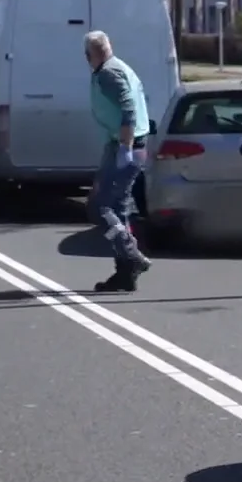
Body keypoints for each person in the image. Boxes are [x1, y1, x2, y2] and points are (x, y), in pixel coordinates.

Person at [83, 30, 151, 293]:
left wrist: (125, 146)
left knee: (108, 208)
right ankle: (125, 272)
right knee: (110, 205)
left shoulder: (109, 73)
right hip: (120, 144)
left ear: (89, 55)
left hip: (127, 147)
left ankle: (131, 257)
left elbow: (128, 109)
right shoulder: (117, 66)